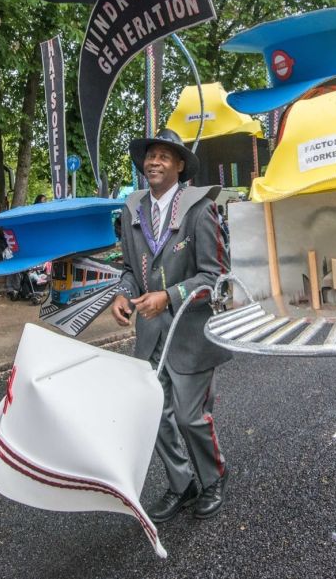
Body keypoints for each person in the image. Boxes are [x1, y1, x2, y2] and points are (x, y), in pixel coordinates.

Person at [109, 128, 231, 522]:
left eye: (164, 156)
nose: (154, 161)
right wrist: (123, 293)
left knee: (189, 416)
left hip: (192, 332)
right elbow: (130, 269)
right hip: (149, 334)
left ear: (180, 165)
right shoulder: (132, 210)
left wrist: (170, 296)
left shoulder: (200, 208)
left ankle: (213, 479)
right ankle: (183, 484)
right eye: (150, 155)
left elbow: (215, 276)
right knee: (152, 415)